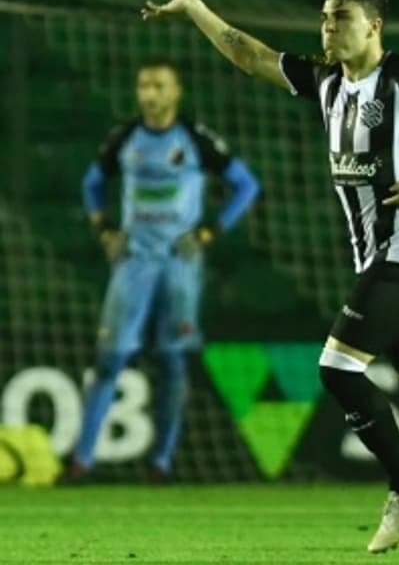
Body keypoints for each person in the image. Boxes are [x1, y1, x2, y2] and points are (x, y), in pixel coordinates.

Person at [142, 0, 399, 565]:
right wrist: (197, 8)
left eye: (342, 17)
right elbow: (248, 55)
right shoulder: (326, 80)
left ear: (374, 25)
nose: (329, 27)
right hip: (377, 258)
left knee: (336, 368)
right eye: (325, 17)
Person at [67, 59, 260, 483]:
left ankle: (161, 462)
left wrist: (209, 230)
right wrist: (103, 229)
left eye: (158, 85)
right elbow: (91, 183)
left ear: (176, 93)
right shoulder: (124, 137)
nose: (149, 94)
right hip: (133, 260)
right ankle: (81, 461)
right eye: (143, 86)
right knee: (110, 357)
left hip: (180, 263)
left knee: (173, 360)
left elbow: (247, 185)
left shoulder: (194, 138)